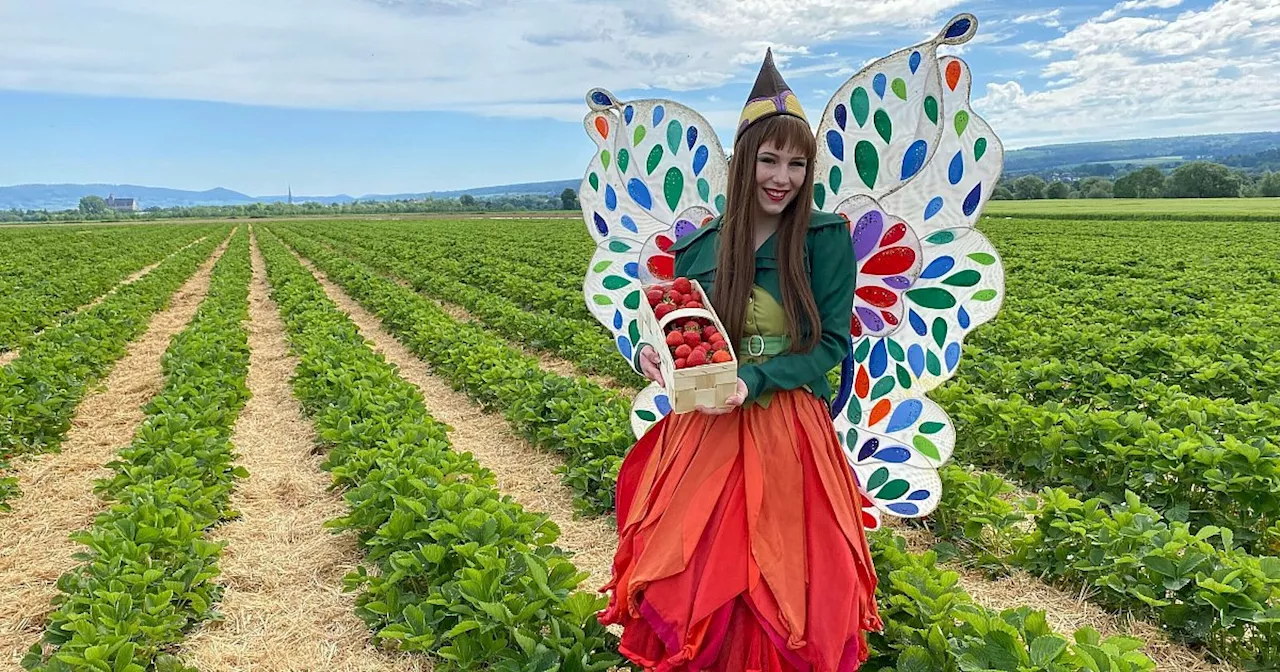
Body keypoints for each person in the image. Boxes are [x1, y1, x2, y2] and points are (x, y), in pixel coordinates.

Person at [598, 49, 882, 671]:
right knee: (699, 556)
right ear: (743, 163)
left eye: (797, 163)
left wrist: (752, 380)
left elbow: (831, 345)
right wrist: (657, 355)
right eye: (769, 159)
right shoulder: (700, 246)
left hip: (785, 419)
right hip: (707, 421)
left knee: (782, 566)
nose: (782, 177)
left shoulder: (824, 240)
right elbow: (683, 329)